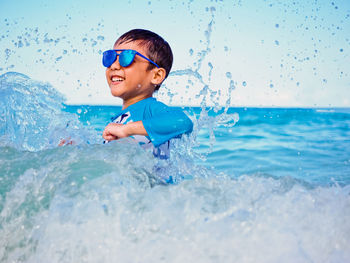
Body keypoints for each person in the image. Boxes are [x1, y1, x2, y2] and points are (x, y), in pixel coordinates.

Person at [102, 29, 193, 159]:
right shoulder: (118, 120)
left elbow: (183, 122)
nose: (114, 66)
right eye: (110, 58)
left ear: (156, 75)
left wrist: (127, 129)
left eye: (126, 58)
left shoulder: (149, 109)